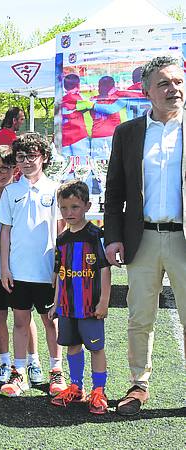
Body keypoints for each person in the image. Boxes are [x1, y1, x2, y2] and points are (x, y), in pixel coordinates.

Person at [104, 55, 186, 416]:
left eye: (178, 81)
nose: (174, 89)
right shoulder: (129, 132)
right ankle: (139, 385)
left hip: (184, 239)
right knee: (139, 316)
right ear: (146, 91)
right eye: (165, 83)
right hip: (143, 239)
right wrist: (113, 236)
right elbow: (115, 190)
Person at [0, 133, 66, 397]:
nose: (26, 162)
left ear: (44, 158)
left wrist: (58, 270)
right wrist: (4, 267)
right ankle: (19, 373)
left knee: (51, 323)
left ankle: (56, 372)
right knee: (20, 322)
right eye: (21, 157)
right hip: (18, 272)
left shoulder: (56, 189)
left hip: (46, 272)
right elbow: (5, 231)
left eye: (32, 156)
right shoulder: (11, 191)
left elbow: (61, 232)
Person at [0, 145, 40, 386]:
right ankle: (5, 362)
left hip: (21, 269)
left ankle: (32, 361)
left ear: (14, 169)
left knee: (24, 318)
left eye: (4, 168)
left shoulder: (22, 193)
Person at [48, 180, 110, 415]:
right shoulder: (62, 239)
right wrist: (55, 304)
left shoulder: (95, 235)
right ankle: (76, 387)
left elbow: (104, 270)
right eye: (64, 208)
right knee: (72, 346)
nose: (69, 213)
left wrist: (104, 301)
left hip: (90, 307)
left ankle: (99, 391)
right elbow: (60, 274)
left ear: (87, 205)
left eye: (74, 207)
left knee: (96, 348)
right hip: (67, 306)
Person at [61, 74, 90, 158]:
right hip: (79, 134)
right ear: (78, 85)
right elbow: (91, 106)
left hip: (64, 136)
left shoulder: (60, 99)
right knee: (82, 164)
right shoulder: (82, 99)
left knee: (67, 166)